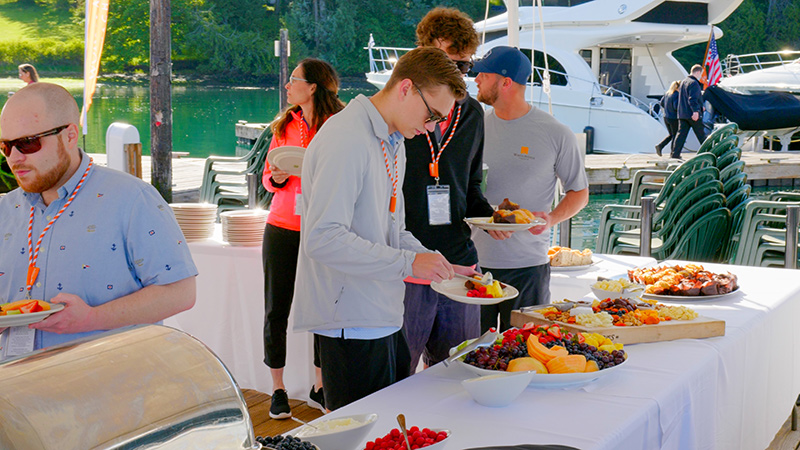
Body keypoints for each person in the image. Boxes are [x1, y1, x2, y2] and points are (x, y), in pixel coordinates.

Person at [292, 47, 473, 411]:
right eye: (432, 114)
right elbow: (322, 238)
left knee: (390, 430)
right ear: (405, 87)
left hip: (384, 315)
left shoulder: (393, 142)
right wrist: (409, 264)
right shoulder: (346, 137)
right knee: (361, 437)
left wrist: (434, 261)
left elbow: (394, 229)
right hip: (350, 322)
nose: (432, 128)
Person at [0, 82, 197, 357]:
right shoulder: (4, 210)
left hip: (103, 388)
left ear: (70, 135)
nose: (15, 158)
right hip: (12, 388)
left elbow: (181, 292)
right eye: (5, 146)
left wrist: (92, 318)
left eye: (28, 143)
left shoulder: (132, 199)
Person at [401, 7, 507, 373]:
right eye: (446, 64)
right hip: (407, 259)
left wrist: (492, 217)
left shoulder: (474, 114)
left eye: (463, 67)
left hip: (458, 259)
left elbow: (471, 184)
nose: (456, 76)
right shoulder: (398, 112)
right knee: (400, 372)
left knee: (460, 371)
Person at [471, 46, 589, 332]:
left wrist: (552, 218)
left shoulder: (555, 132)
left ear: (505, 82)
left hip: (528, 268)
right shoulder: (474, 128)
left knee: (526, 352)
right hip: (474, 265)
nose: (475, 81)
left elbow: (579, 193)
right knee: (473, 353)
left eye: (483, 75)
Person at [261, 58, 345, 419]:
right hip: (281, 226)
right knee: (276, 309)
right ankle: (277, 388)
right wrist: (278, 177)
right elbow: (268, 178)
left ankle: (320, 384)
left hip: (323, 228)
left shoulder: (340, 125)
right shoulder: (283, 125)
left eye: (293, 80)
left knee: (322, 310)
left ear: (312, 87)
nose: (287, 86)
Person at [671, 64, 706, 159]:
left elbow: (684, 98)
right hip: (692, 114)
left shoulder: (683, 82)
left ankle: (675, 154)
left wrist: (700, 106)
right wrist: (696, 111)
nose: (700, 76)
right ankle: (709, 152)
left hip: (682, 114)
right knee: (701, 134)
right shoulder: (694, 83)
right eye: (701, 74)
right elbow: (692, 99)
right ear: (698, 72)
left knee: (681, 135)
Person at [655, 81, 680, 157]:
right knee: (675, 136)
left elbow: (662, 103)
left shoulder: (667, 94)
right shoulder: (677, 95)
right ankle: (673, 153)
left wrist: (668, 109)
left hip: (666, 117)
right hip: (674, 117)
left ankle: (660, 146)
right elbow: (676, 106)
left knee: (672, 135)